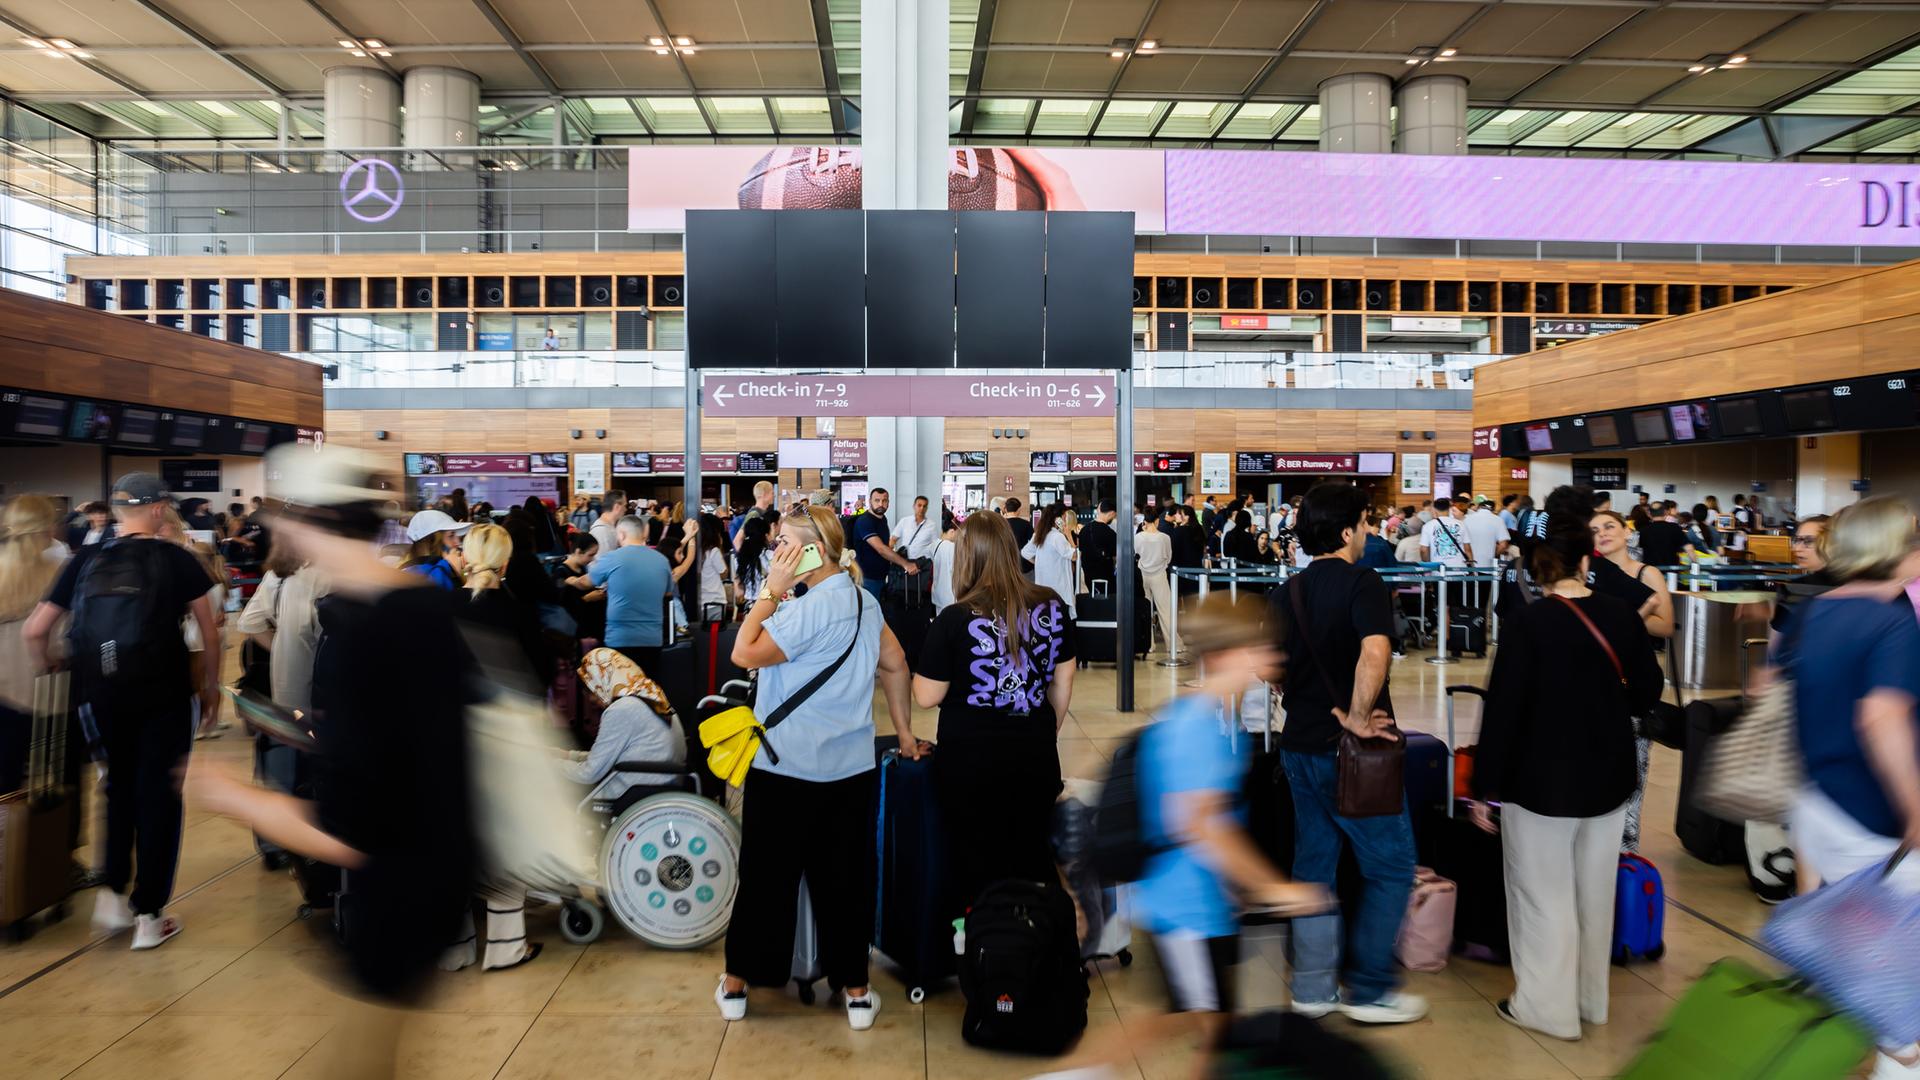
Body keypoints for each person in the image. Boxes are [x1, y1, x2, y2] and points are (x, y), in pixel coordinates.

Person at [190, 447, 476, 1076]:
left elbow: (350, 829)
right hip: (441, 874)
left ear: (304, 525)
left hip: (394, 895)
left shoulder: (359, 632)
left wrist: (236, 796)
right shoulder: (423, 607)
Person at [1045, 597, 1330, 1080]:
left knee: (1188, 1017)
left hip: (1196, 903)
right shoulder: (1200, 727)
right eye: (1256, 645)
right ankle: (1080, 1074)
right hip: (1184, 907)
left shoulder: (1212, 719)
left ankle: (1083, 1073)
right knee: (1210, 1025)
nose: (1271, 654)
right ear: (1225, 655)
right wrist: (1270, 888)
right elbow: (1201, 826)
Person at [1467, 489, 1662, 1043]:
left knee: (1542, 894)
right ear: (1586, 559)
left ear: (1537, 567)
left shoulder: (1530, 624)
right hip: (1609, 776)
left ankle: (1546, 1009)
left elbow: (1503, 709)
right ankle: (1589, 1000)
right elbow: (1648, 691)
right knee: (1593, 892)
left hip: (1541, 780)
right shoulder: (1620, 614)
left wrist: (1486, 788)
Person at [716, 506, 917, 1031]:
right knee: (845, 881)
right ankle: (855, 992)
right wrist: (906, 730)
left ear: (812, 550)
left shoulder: (803, 609)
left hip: (784, 768)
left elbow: (742, 652)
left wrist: (768, 590)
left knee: (766, 878)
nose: (776, 548)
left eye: (783, 541)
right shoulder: (863, 602)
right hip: (850, 771)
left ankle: (739, 983)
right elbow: (895, 664)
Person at [22, 474, 220, 951]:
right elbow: (208, 631)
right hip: (164, 694)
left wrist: (51, 663)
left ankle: (111, 896)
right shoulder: (177, 559)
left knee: (117, 786)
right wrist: (210, 688)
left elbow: (35, 629)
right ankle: (149, 914)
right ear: (157, 511)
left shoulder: (85, 559)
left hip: (100, 693)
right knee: (160, 795)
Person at [1768, 497, 1920, 1080]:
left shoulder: (1816, 610)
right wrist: (1913, 808)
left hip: (1819, 805)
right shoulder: (1891, 621)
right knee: (1900, 993)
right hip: (1873, 818)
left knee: (1877, 961)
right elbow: (1881, 718)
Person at [1269, 483, 1426, 1024]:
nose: (1367, 531)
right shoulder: (1363, 582)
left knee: (1314, 866)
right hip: (1353, 756)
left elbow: (1269, 668)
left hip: (1299, 747)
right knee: (1391, 866)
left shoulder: (1286, 590)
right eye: (1363, 522)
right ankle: (1370, 988)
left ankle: (1312, 989)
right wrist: (1358, 718)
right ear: (1345, 530)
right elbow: (1376, 650)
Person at [914, 512, 1076, 923]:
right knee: (1032, 852)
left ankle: (983, 952)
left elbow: (927, 695)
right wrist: (1042, 729)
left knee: (974, 860)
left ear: (966, 557)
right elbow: (1063, 680)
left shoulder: (954, 618)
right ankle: (1034, 942)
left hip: (969, 763)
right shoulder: (1051, 605)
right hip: (1036, 758)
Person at [1590, 506, 1675, 852]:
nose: (1603, 533)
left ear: (1626, 532)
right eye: (1594, 530)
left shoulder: (1646, 574)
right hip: (1595, 683)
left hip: (1633, 683)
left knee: (1632, 774)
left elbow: (1665, 625)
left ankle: (1626, 852)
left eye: (1610, 526)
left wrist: (1625, 620)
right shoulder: (1590, 575)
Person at [0, 495, 66, 795]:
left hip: (4, 693)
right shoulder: (59, 574)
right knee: (52, 786)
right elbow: (63, 641)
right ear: (48, 528)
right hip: (46, 693)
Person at [588, 516, 676, 676]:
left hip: (619, 638)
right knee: (648, 691)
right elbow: (668, 592)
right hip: (652, 638)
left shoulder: (612, 558)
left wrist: (570, 580)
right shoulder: (662, 560)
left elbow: (588, 581)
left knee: (621, 693)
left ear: (621, 534)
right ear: (643, 534)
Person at [849, 487, 918, 604]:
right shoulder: (864, 521)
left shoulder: (882, 519)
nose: (881, 504)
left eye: (884, 501)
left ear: (888, 503)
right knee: (869, 616)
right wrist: (905, 564)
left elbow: (886, 545)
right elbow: (881, 548)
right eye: (877, 500)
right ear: (870, 501)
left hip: (880, 578)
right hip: (867, 579)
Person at [1770, 514, 1834, 635]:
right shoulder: (1858, 583)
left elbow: (1778, 649)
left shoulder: (1796, 589)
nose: (1797, 548)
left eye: (1808, 541)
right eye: (1796, 540)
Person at [1022, 503, 1080, 615]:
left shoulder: (1039, 534)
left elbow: (1025, 553)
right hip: (1059, 589)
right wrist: (1068, 534)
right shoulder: (1057, 537)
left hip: (1042, 587)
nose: (1065, 519)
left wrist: (1038, 563)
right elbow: (1074, 556)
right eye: (1064, 516)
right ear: (1057, 518)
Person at [1136, 506, 1178, 658]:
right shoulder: (1165, 538)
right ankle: (1173, 645)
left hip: (1142, 576)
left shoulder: (1138, 537)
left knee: (1145, 611)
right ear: (1157, 520)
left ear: (1144, 522)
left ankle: (1148, 645)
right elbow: (1168, 557)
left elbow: (1136, 555)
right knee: (1166, 610)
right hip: (1160, 575)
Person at [550, 532, 606, 641]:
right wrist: (588, 598)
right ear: (578, 552)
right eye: (590, 555)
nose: (593, 559)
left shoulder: (582, 568)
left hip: (591, 627)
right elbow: (564, 605)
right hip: (578, 633)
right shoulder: (560, 574)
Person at [400, 510, 470, 590]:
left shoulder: (406, 569)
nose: (457, 542)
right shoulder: (415, 576)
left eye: (457, 536)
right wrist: (450, 569)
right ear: (432, 542)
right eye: (451, 536)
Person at [693, 512, 732, 622]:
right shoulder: (714, 551)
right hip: (715, 602)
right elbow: (724, 574)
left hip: (699, 603)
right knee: (714, 637)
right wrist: (720, 546)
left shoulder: (695, 551)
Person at [1420, 496, 1473, 568]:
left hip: (1438, 569)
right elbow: (1467, 549)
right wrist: (1472, 568)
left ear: (1434, 509)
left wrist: (1427, 563)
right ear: (1450, 509)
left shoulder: (1428, 526)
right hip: (1459, 569)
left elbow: (1423, 550)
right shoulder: (1461, 524)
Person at [1636, 501, 1691, 568]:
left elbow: (1640, 553)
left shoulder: (1643, 531)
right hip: (1671, 572)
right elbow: (1689, 548)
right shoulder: (1675, 528)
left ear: (1649, 514)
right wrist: (1695, 565)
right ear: (1665, 512)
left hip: (1650, 573)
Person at [735, 516, 775, 608]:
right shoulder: (770, 555)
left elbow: (739, 590)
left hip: (749, 606)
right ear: (766, 535)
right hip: (767, 605)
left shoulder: (739, 558)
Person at [1462, 496, 1511, 568]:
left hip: (1468, 564)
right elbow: (1503, 545)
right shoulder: (1498, 520)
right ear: (1493, 509)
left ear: (1478, 507)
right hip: (1487, 564)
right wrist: (1494, 554)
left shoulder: (1466, 519)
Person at [889, 495, 939, 564]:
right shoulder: (904, 521)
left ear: (927, 508)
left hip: (922, 564)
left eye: (924, 506)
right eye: (919, 505)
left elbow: (935, 545)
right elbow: (893, 539)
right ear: (914, 506)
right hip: (905, 561)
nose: (922, 508)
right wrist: (891, 556)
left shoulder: (932, 525)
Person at [1079, 501, 1119, 588]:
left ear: (1098, 510)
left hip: (1088, 578)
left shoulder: (1084, 530)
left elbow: (1081, 551)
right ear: (1112, 513)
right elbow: (1116, 556)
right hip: (1106, 579)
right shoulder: (1111, 534)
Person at [732, 480, 777, 550]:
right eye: (772, 493)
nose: (774, 495)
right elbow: (737, 541)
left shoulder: (762, 513)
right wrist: (747, 559)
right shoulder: (754, 514)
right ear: (764, 494)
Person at [930, 509, 958, 611]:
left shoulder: (934, 544)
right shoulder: (953, 548)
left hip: (937, 594)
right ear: (952, 531)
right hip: (950, 596)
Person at [1002, 497, 1035, 576]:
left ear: (1005, 509)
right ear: (1019, 510)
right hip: (1023, 565)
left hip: (1004, 565)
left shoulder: (1000, 524)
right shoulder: (1026, 524)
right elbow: (1034, 543)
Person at [589, 489, 627, 556]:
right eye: (624, 506)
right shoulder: (601, 531)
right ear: (617, 507)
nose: (625, 509)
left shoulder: (609, 527)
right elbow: (601, 563)